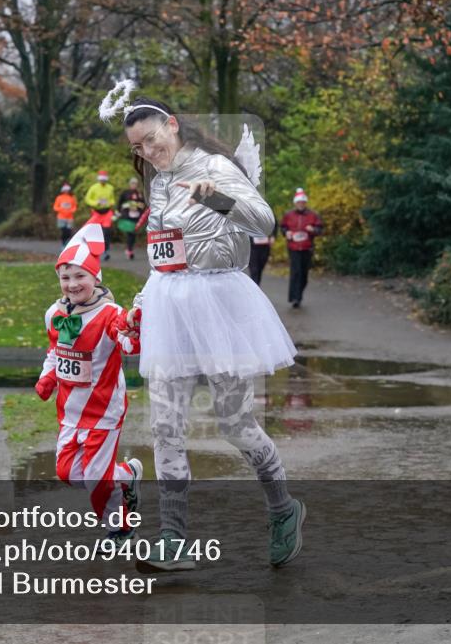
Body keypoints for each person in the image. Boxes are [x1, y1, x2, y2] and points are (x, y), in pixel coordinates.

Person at [117, 94, 305, 572]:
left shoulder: (215, 166)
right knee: (164, 424)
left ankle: (284, 509)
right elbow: (163, 255)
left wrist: (215, 197)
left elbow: (265, 223)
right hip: (169, 307)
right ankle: (173, 539)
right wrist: (142, 305)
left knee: (234, 423)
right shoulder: (156, 182)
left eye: (151, 139)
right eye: (138, 147)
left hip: (219, 305)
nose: (147, 151)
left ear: (173, 125)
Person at [35, 223, 144, 542]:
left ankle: (120, 527)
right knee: (68, 473)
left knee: (96, 477)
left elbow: (128, 343)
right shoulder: (57, 314)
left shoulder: (109, 313)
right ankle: (127, 475)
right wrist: (47, 376)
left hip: (103, 410)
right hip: (69, 411)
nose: (72, 284)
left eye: (80, 276)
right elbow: (58, 349)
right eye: (65, 277)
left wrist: (135, 324)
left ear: (96, 278)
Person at [280, 188, 323, 308]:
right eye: (299, 202)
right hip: (293, 247)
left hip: (307, 248)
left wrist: (313, 230)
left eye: (303, 202)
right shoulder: (289, 215)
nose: (301, 204)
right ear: (295, 203)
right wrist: (286, 232)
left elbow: (320, 230)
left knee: (304, 274)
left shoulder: (313, 215)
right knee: (296, 272)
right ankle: (295, 298)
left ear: (305, 203)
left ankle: (299, 294)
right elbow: (283, 227)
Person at [85, 170, 116, 260]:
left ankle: (106, 251)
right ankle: (91, 250)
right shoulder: (94, 187)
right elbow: (87, 199)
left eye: (104, 180)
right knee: (92, 231)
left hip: (107, 213)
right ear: (99, 179)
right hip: (96, 213)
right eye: (101, 180)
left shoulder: (110, 188)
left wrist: (110, 203)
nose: (103, 181)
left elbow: (112, 199)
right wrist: (96, 203)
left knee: (106, 233)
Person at [117, 177, 146, 259]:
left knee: (133, 234)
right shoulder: (125, 193)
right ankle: (129, 250)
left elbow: (143, 204)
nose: (134, 185)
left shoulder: (139, 193)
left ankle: (129, 249)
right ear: (130, 184)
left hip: (136, 216)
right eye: (132, 183)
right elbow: (120, 203)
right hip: (127, 216)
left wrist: (138, 207)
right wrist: (120, 211)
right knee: (130, 233)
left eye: (135, 183)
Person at [248, 217, 278, 286]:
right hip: (252, 246)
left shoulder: (266, 210)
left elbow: (274, 224)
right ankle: (254, 289)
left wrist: (273, 235)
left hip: (265, 245)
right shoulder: (248, 211)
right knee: (254, 269)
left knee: (260, 268)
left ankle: (256, 285)